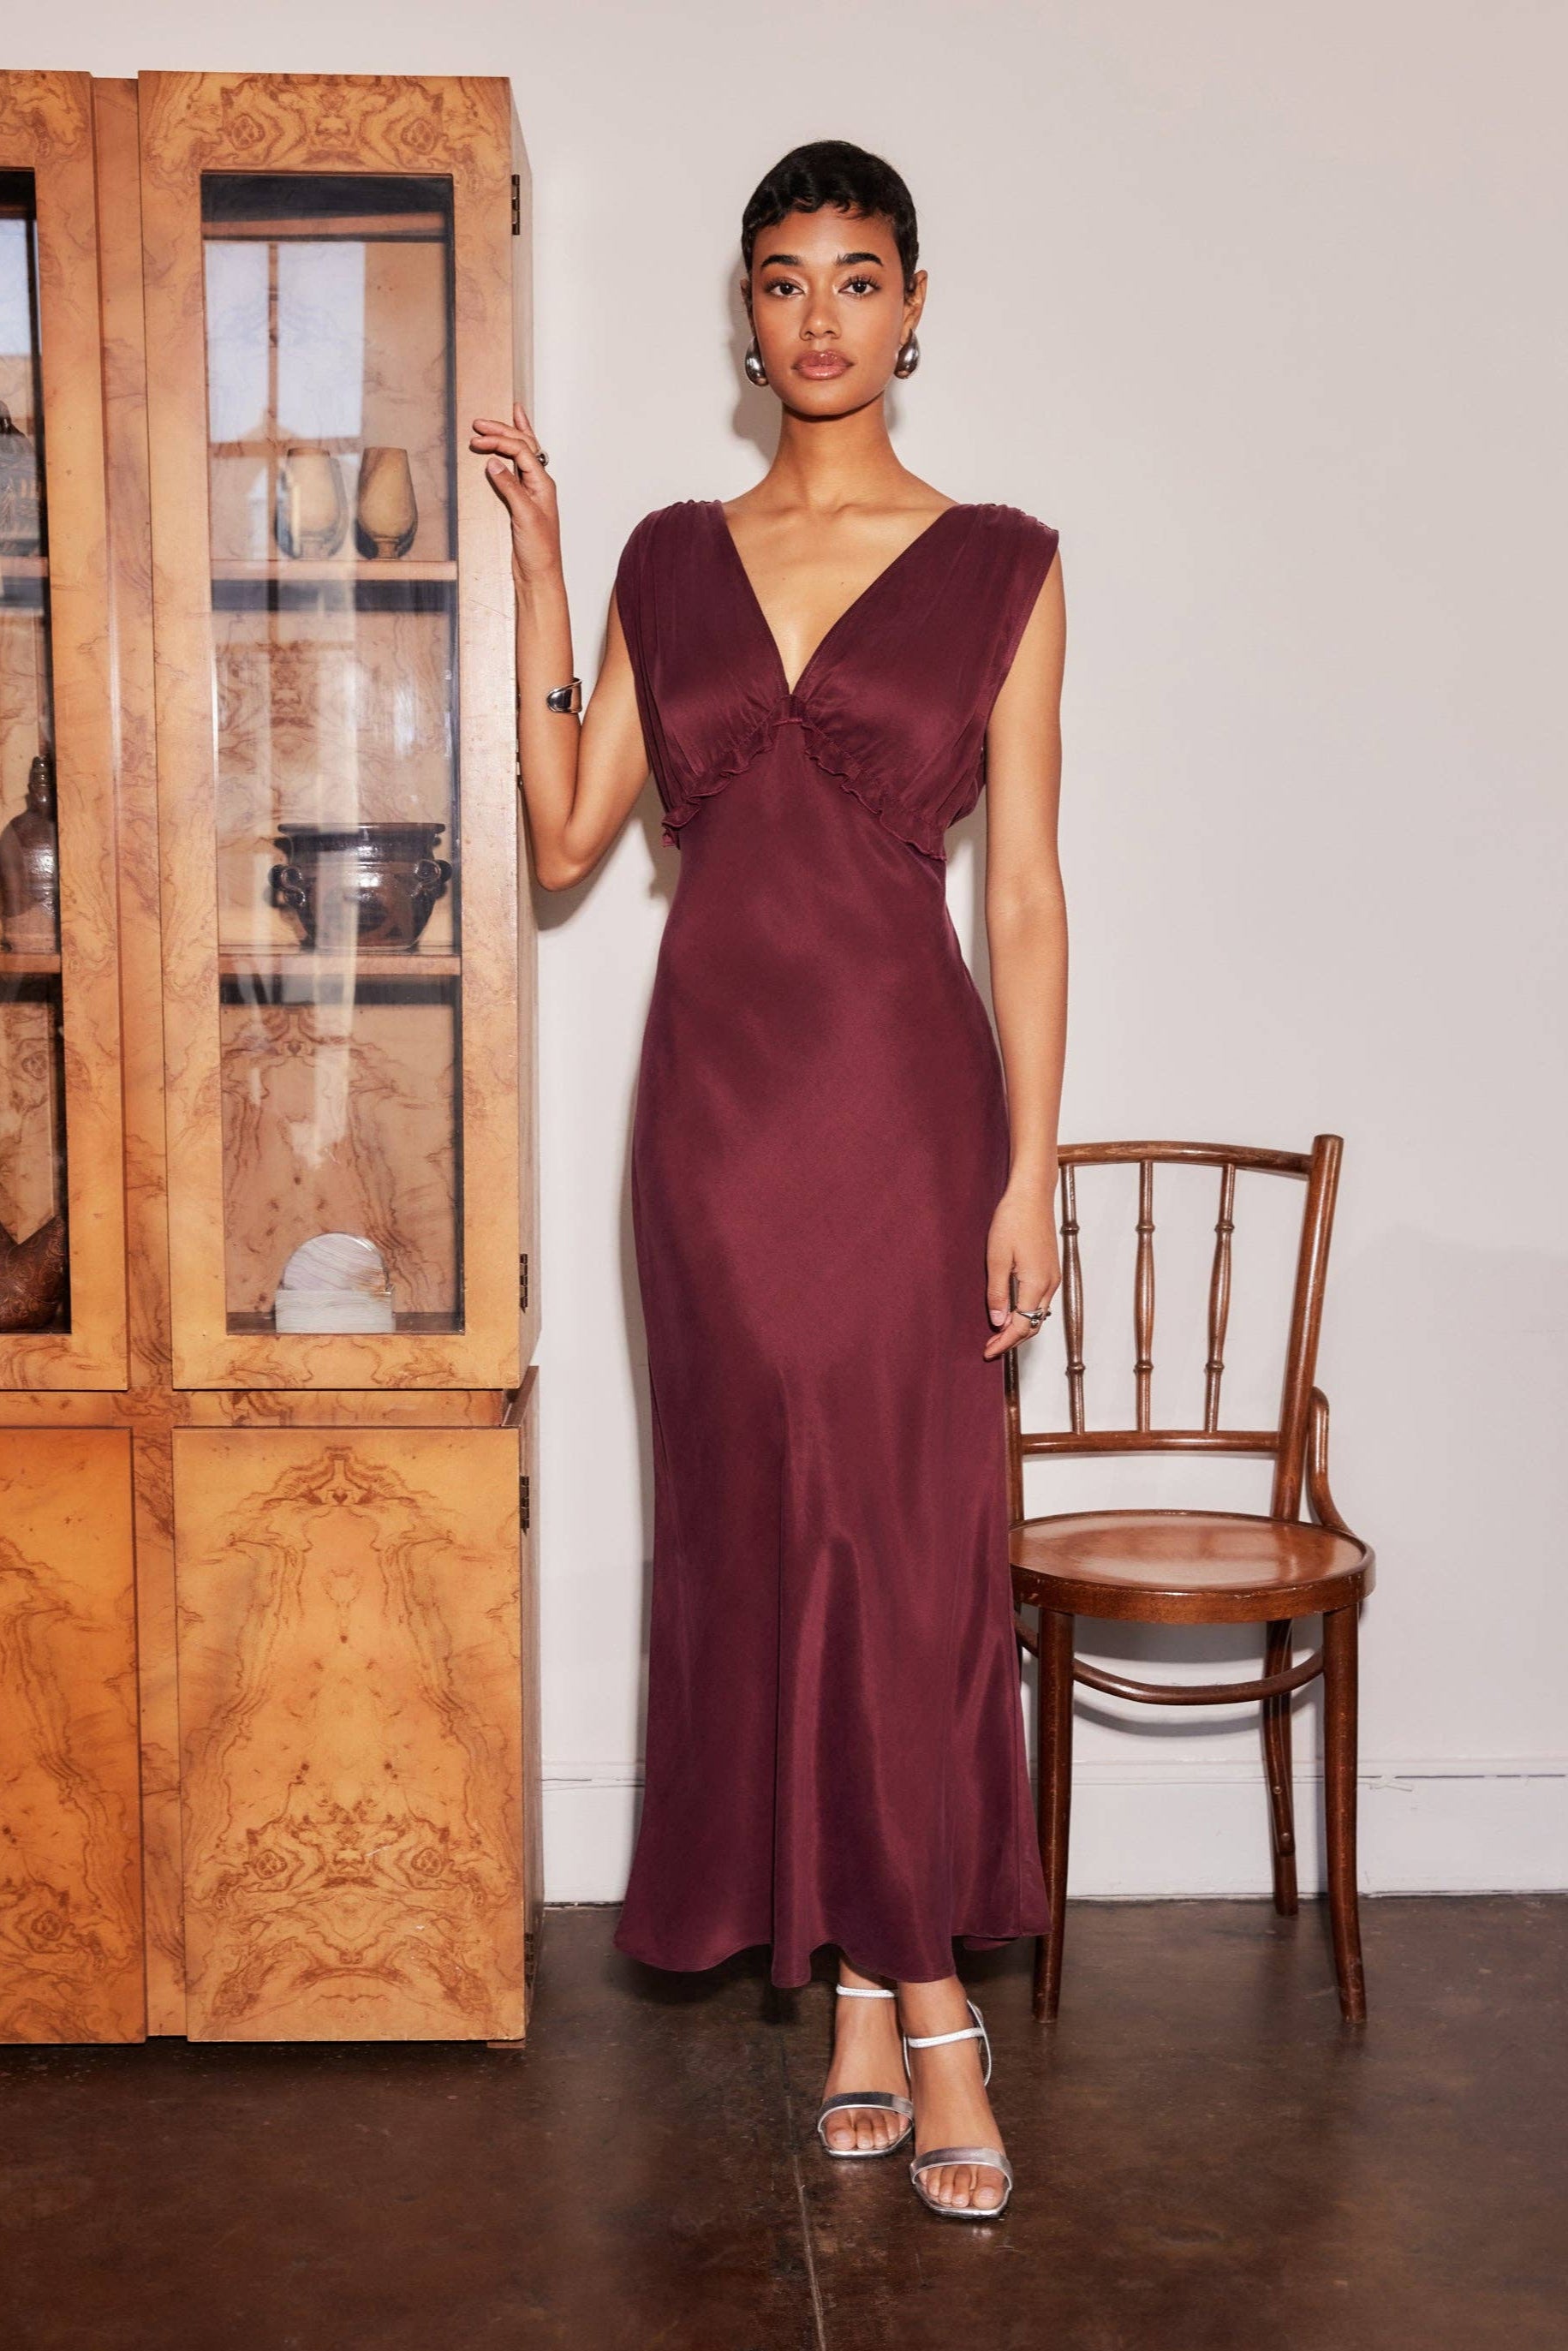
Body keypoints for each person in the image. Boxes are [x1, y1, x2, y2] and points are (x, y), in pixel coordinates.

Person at [470, 138, 1067, 2222]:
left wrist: (1033, 1167)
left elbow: (1036, 890)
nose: (820, 316)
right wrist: (546, 575)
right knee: (767, 1545)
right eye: (785, 282)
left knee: (901, 1557)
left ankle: (921, 2005)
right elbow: (563, 837)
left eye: (859, 278)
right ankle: (867, 2001)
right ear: (746, 315)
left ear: (916, 309)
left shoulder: (1001, 558)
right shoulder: (666, 551)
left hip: (909, 1118)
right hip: (715, 1129)